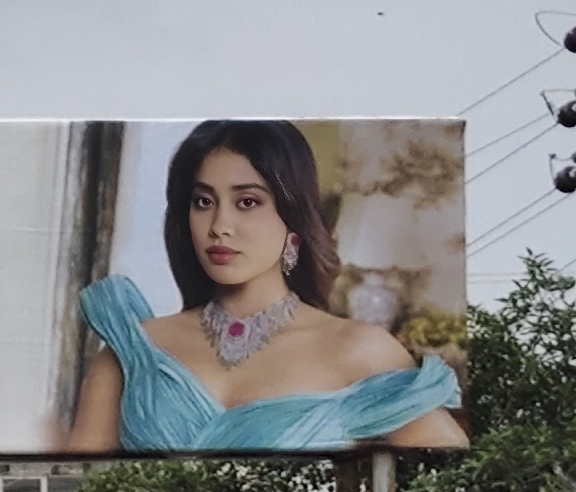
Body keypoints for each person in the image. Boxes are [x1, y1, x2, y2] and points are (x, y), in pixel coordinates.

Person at [66, 120, 465, 453]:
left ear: (292, 217)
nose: (220, 225)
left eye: (247, 202)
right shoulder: (133, 350)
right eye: (203, 202)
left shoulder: (358, 350)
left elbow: (449, 486)